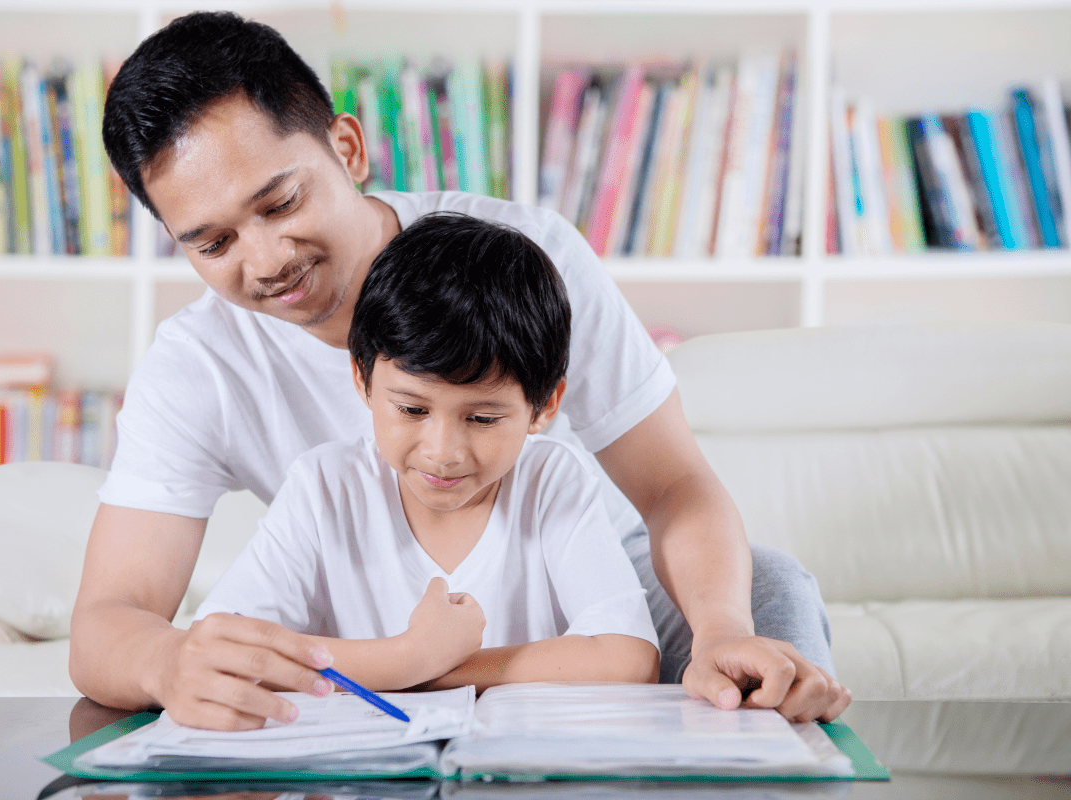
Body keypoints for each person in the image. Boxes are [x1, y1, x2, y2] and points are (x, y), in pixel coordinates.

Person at [71, 10, 851, 731]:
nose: (266, 260)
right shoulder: (197, 366)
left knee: (771, 588)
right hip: (380, 631)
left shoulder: (524, 258)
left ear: (346, 148)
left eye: (279, 204)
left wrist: (720, 629)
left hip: (586, 605)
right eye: (213, 244)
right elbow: (110, 617)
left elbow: (674, 486)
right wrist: (170, 661)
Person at [193, 213, 660, 702]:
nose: (442, 453)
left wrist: (427, 671)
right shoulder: (324, 488)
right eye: (412, 409)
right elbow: (221, 653)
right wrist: (408, 655)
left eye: (481, 419)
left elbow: (630, 658)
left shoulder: (552, 482)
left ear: (543, 406)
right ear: (363, 379)